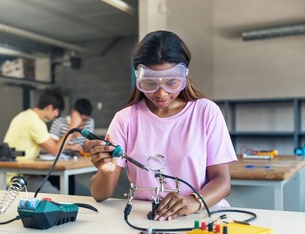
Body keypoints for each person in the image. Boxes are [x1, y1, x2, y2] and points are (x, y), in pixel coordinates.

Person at [88, 30, 237, 221]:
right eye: (150, 83)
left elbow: (222, 181)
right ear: (138, 78)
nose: (161, 94)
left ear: (184, 77)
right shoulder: (125, 119)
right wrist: (106, 171)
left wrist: (194, 201)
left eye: (171, 83)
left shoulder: (206, 112)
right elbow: (100, 195)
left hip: (201, 216)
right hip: (149, 218)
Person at [3, 88, 82, 192]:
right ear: (49, 107)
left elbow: (48, 146)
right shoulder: (35, 122)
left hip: (14, 172)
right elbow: (54, 150)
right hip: (19, 177)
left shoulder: (24, 115)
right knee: (60, 196)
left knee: (57, 184)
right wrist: (72, 126)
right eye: (57, 110)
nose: (57, 114)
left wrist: (69, 147)